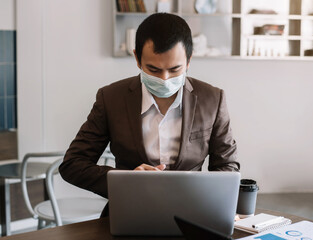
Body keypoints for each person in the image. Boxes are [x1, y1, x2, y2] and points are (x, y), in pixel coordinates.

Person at [59, 13, 239, 216]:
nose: (164, 78)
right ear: (137, 58)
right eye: (153, 69)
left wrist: (205, 198)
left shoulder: (213, 99)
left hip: (193, 214)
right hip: (128, 212)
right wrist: (126, 180)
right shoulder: (111, 98)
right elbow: (73, 164)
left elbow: (227, 166)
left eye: (174, 69)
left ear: (188, 60)